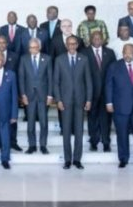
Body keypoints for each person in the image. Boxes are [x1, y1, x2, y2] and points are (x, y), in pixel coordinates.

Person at [53, 36, 92, 169]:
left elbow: (88, 81)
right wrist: (58, 100)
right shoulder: (59, 60)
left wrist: (88, 99)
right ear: (66, 45)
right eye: (69, 44)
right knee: (66, 132)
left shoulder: (84, 59)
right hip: (65, 101)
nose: (72, 46)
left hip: (80, 101)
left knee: (79, 131)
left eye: (74, 44)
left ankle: (77, 160)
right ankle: (67, 160)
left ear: (77, 45)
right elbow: (56, 82)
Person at [18, 38, 53, 154]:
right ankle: (32, 145)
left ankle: (43, 145)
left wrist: (50, 95)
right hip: (29, 95)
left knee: (44, 122)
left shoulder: (47, 59)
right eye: (31, 48)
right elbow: (21, 78)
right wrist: (23, 94)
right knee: (30, 123)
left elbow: (50, 78)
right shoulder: (24, 59)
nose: (33, 50)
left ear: (40, 47)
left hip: (43, 95)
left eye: (35, 47)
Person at [84, 31, 116, 152]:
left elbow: (113, 73)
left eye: (99, 38)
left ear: (103, 40)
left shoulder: (110, 52)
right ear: (90, 39)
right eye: (94, 38)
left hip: (106, 93)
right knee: (92, 118)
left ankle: (106, 142)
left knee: (106, 119)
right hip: (91, 93)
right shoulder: (84, 52)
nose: (97, 40)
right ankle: (94, 142)